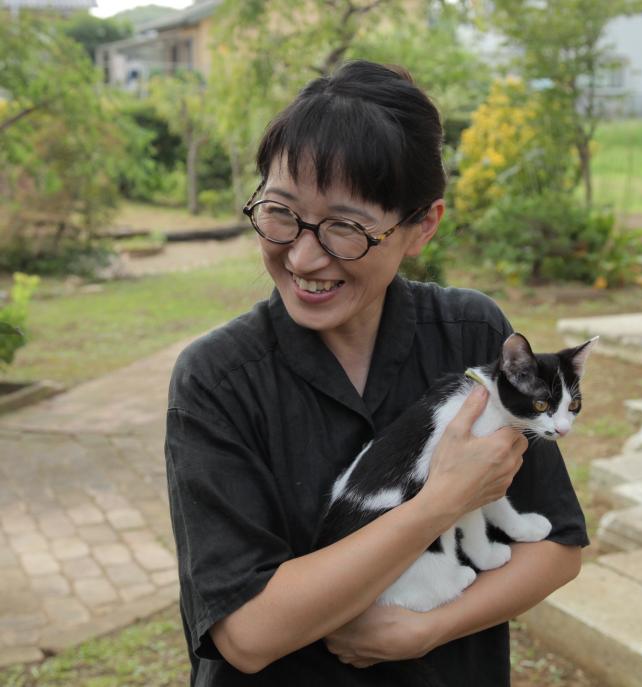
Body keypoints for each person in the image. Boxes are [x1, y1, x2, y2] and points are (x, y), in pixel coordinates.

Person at [165, 60, 589, 687]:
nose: (303, 257)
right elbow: (249, 634)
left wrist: (429, 627)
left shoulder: (472, 334)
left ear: (422, 226)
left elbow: (556, 547)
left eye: (345, 227)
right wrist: (440, 503)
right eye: (280, 212)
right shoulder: (219, 380)